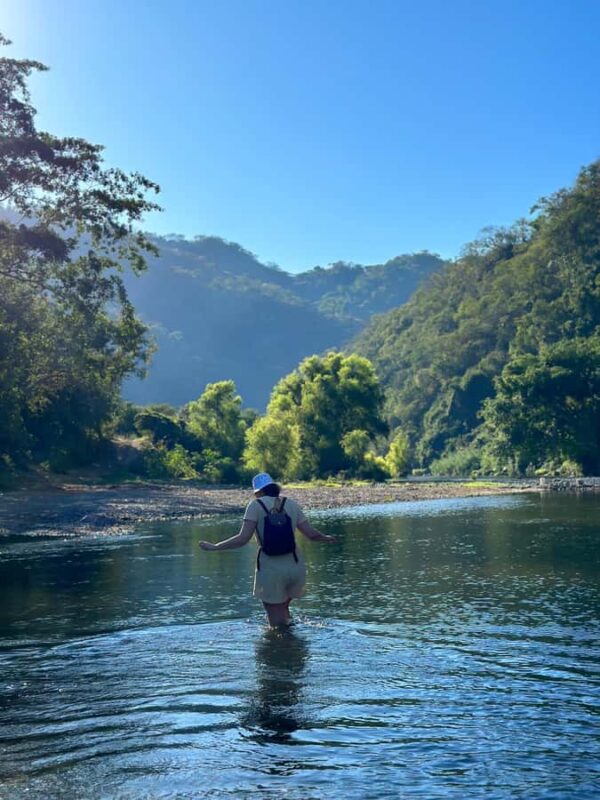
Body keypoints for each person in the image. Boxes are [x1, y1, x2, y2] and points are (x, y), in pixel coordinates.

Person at [199, 472, 338, 627]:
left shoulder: (255, 506)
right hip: (295, 566)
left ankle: (279, 646)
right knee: (284, 607)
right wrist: (326, 537)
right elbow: (311, 535)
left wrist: (216, 547)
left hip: (271, 567)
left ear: (258, 492)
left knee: (273, 616)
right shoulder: (291, 504)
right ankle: (293, 646)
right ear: (274, 487)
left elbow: (243, 539)